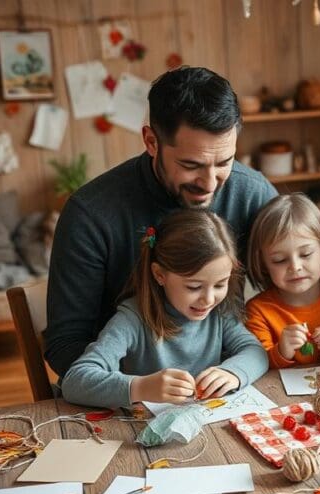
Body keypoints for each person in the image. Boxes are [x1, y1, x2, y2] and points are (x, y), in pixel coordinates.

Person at [45, 66, 276, 377]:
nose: (210, 183)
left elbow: (298, 287)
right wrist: (144, 387)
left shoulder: (251, 193)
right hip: (131, 393)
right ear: (151, 142)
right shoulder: (91, 215)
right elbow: (65, 347)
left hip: (232, 383)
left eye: (224, 162)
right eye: (191, 164)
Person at [62, 210, 268, 408]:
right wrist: (140, 387)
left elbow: (255, 352)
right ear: (160, 274)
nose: (209, 299)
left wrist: (233, 373)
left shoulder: (219, 313)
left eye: (220, 284)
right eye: (194, 287)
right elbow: (74, 381)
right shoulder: (132, 319)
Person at [245, 194, 320, 367]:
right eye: (280, 260)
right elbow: (257, 366)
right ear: (263, 263)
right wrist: (281, 351)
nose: (295, 267)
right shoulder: (257, 311)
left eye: (305, 254)